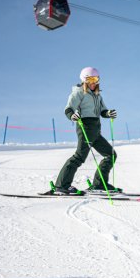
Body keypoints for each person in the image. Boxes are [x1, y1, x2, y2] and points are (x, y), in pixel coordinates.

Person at [54, 67, 119, 195]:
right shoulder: (78, 93)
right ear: (84, 80)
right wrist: (72, 115)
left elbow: (102, 111)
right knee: (79, 157)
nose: (93, 82)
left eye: (96, 79)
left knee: (110, 155)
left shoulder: (97, 95)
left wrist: (108, 113)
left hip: (96, 131)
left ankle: (99, 184)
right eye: (90, 79)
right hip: (85, 128)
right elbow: (68, 108)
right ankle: (61, 185)